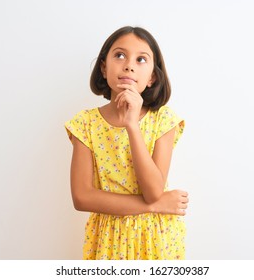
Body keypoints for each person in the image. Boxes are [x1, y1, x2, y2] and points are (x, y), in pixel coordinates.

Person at [65, 26, 189, 260]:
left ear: (152, 76)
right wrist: (155, 205)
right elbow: (82, 197)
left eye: (141, 59)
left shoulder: (163, 120)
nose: (129, 65)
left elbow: (153, 191)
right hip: (107, 239)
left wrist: (132, 125)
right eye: (120, 55)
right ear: (104, 67)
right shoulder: (85, 123)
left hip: (156, 238)